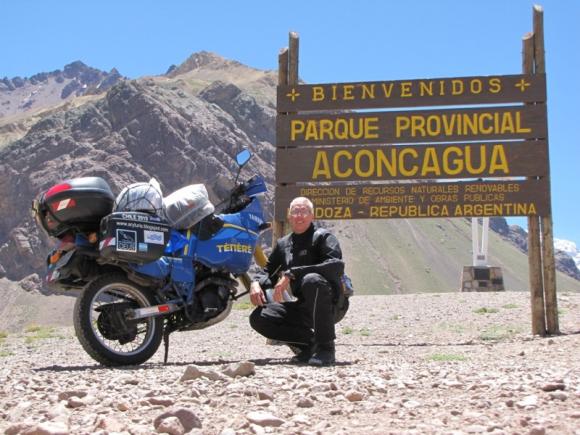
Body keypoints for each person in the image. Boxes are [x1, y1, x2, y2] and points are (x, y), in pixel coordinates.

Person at [249, 197, 344, 366]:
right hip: (304, 307)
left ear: (312, 216)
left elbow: (335, 266)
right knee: (259, 318)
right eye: (295, 211)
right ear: (290, 216)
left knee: (311, 280)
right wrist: (255, 283)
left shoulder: (323, 237)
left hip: (330, 304)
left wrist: (292, 273)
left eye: (304, 211)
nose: (299, 215)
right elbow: (267, 272)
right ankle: (309, 345)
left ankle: (326, 349)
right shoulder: (284, 244)